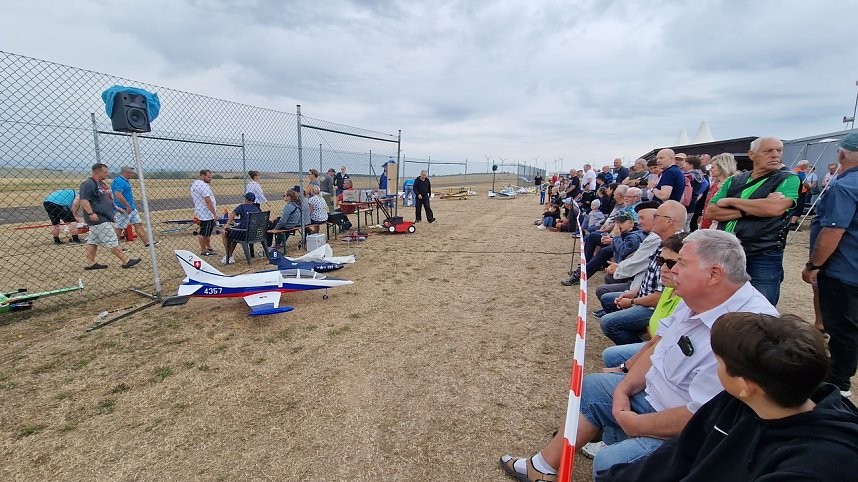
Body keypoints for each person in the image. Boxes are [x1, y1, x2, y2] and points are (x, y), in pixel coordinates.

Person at [500, 229, 777, 481]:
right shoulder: (699, 298)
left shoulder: (745, 330)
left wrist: (636, 423)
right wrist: (625, 387)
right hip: (655, 399)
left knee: (610, 463)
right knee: (594, 386)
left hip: (691, 435)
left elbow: (700, 418)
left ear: (714, 274)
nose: (671, 270)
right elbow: (658, 345)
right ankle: (543, 467)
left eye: (681, 263)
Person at [598, 312, 858, 482]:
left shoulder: (815, 466)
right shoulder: (736, 401)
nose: (714, 369)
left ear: (745, 385)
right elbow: (680, 453)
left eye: (718, 363)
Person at [705, 136, 799, 306]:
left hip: (763, 251)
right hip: (728, 250)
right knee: (723, 301)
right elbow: (711, 212)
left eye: (779, 150)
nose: (775, 155)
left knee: (760, 307)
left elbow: (774, 209)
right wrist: (754, 208)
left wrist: (730, 202)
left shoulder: (788, 178)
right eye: (768, 151)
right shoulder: (735, 180)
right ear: (752, 154)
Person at [803, 131, 858, 397]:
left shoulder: (845, 186)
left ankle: (838, 384)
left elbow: (833, 231)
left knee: (843, 329)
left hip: (844, 271)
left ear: (842, 153)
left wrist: (813, 265)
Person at [596, 201, 686, 345]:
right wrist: (632, 293)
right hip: (646, 298)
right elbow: (651, 281)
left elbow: (660, 296)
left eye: (656, 216)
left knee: (608, 323)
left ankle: (640, 349)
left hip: (654, 307)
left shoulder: (679, 248)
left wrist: (632, 301)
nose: (652, 219)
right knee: (607, 297)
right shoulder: (664, 243)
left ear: (669, 221)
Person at [79, 163, 141, 270]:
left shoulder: (101, 184)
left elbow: (107, 199)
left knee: (93, 241)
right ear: (97, 172)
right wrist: (91, 213)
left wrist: (116, 207)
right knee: (112, 240)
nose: (107, 174)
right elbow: (84, 200)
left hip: (104, 217)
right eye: (105, 172)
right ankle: (126, 261)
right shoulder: (88, 183)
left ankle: (91, 263)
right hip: (98, 218)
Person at [112, 166, 156, 248]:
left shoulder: (125, 181)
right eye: (131, 173)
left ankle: (147, 243)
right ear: (126, 172)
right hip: (123, 209)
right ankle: (116, 246)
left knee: (138, 224)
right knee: (119, 228)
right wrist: (127, 205)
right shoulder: (119, 181)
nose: (132, 175)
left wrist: (130, 206)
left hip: (131, 208)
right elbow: (118, 194)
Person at [219, 192, 262, 264]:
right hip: (255, 234)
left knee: (224, 232)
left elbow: (233, 214)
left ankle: (228, 255)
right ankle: (229, 255)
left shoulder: (242, 206)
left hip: (244, 234)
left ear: (246, 199)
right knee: (235, 233)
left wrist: (227, 225)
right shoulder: (257, 208)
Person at [699, 153, 738, 229]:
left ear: (722, 168)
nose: (710, 169)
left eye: (713, 167)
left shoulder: (732, 185)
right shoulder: (715, 184)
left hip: (718, 226)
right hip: (706, 224)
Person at [191, 169, 218, 256]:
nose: (210, 179)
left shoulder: (195, 184)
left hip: (202, 211)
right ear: (203, 176)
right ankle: (203, 250)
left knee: (208, 232)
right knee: (203, 233)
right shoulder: (203, 186)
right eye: (209, 177)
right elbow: (208, 201)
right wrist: (214, 213)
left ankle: (209, 247)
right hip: (205, 213)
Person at [788, 159, 810, 229]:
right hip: (801, 192)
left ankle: (789, 221)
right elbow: (805, 183)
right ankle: (793, 223)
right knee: (799, 207)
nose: (807, 167)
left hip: (792, 191)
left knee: (792, 206)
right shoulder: (800, 172)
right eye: (807, 165)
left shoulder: (792, 170)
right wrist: (810, 187)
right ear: (803, 166)